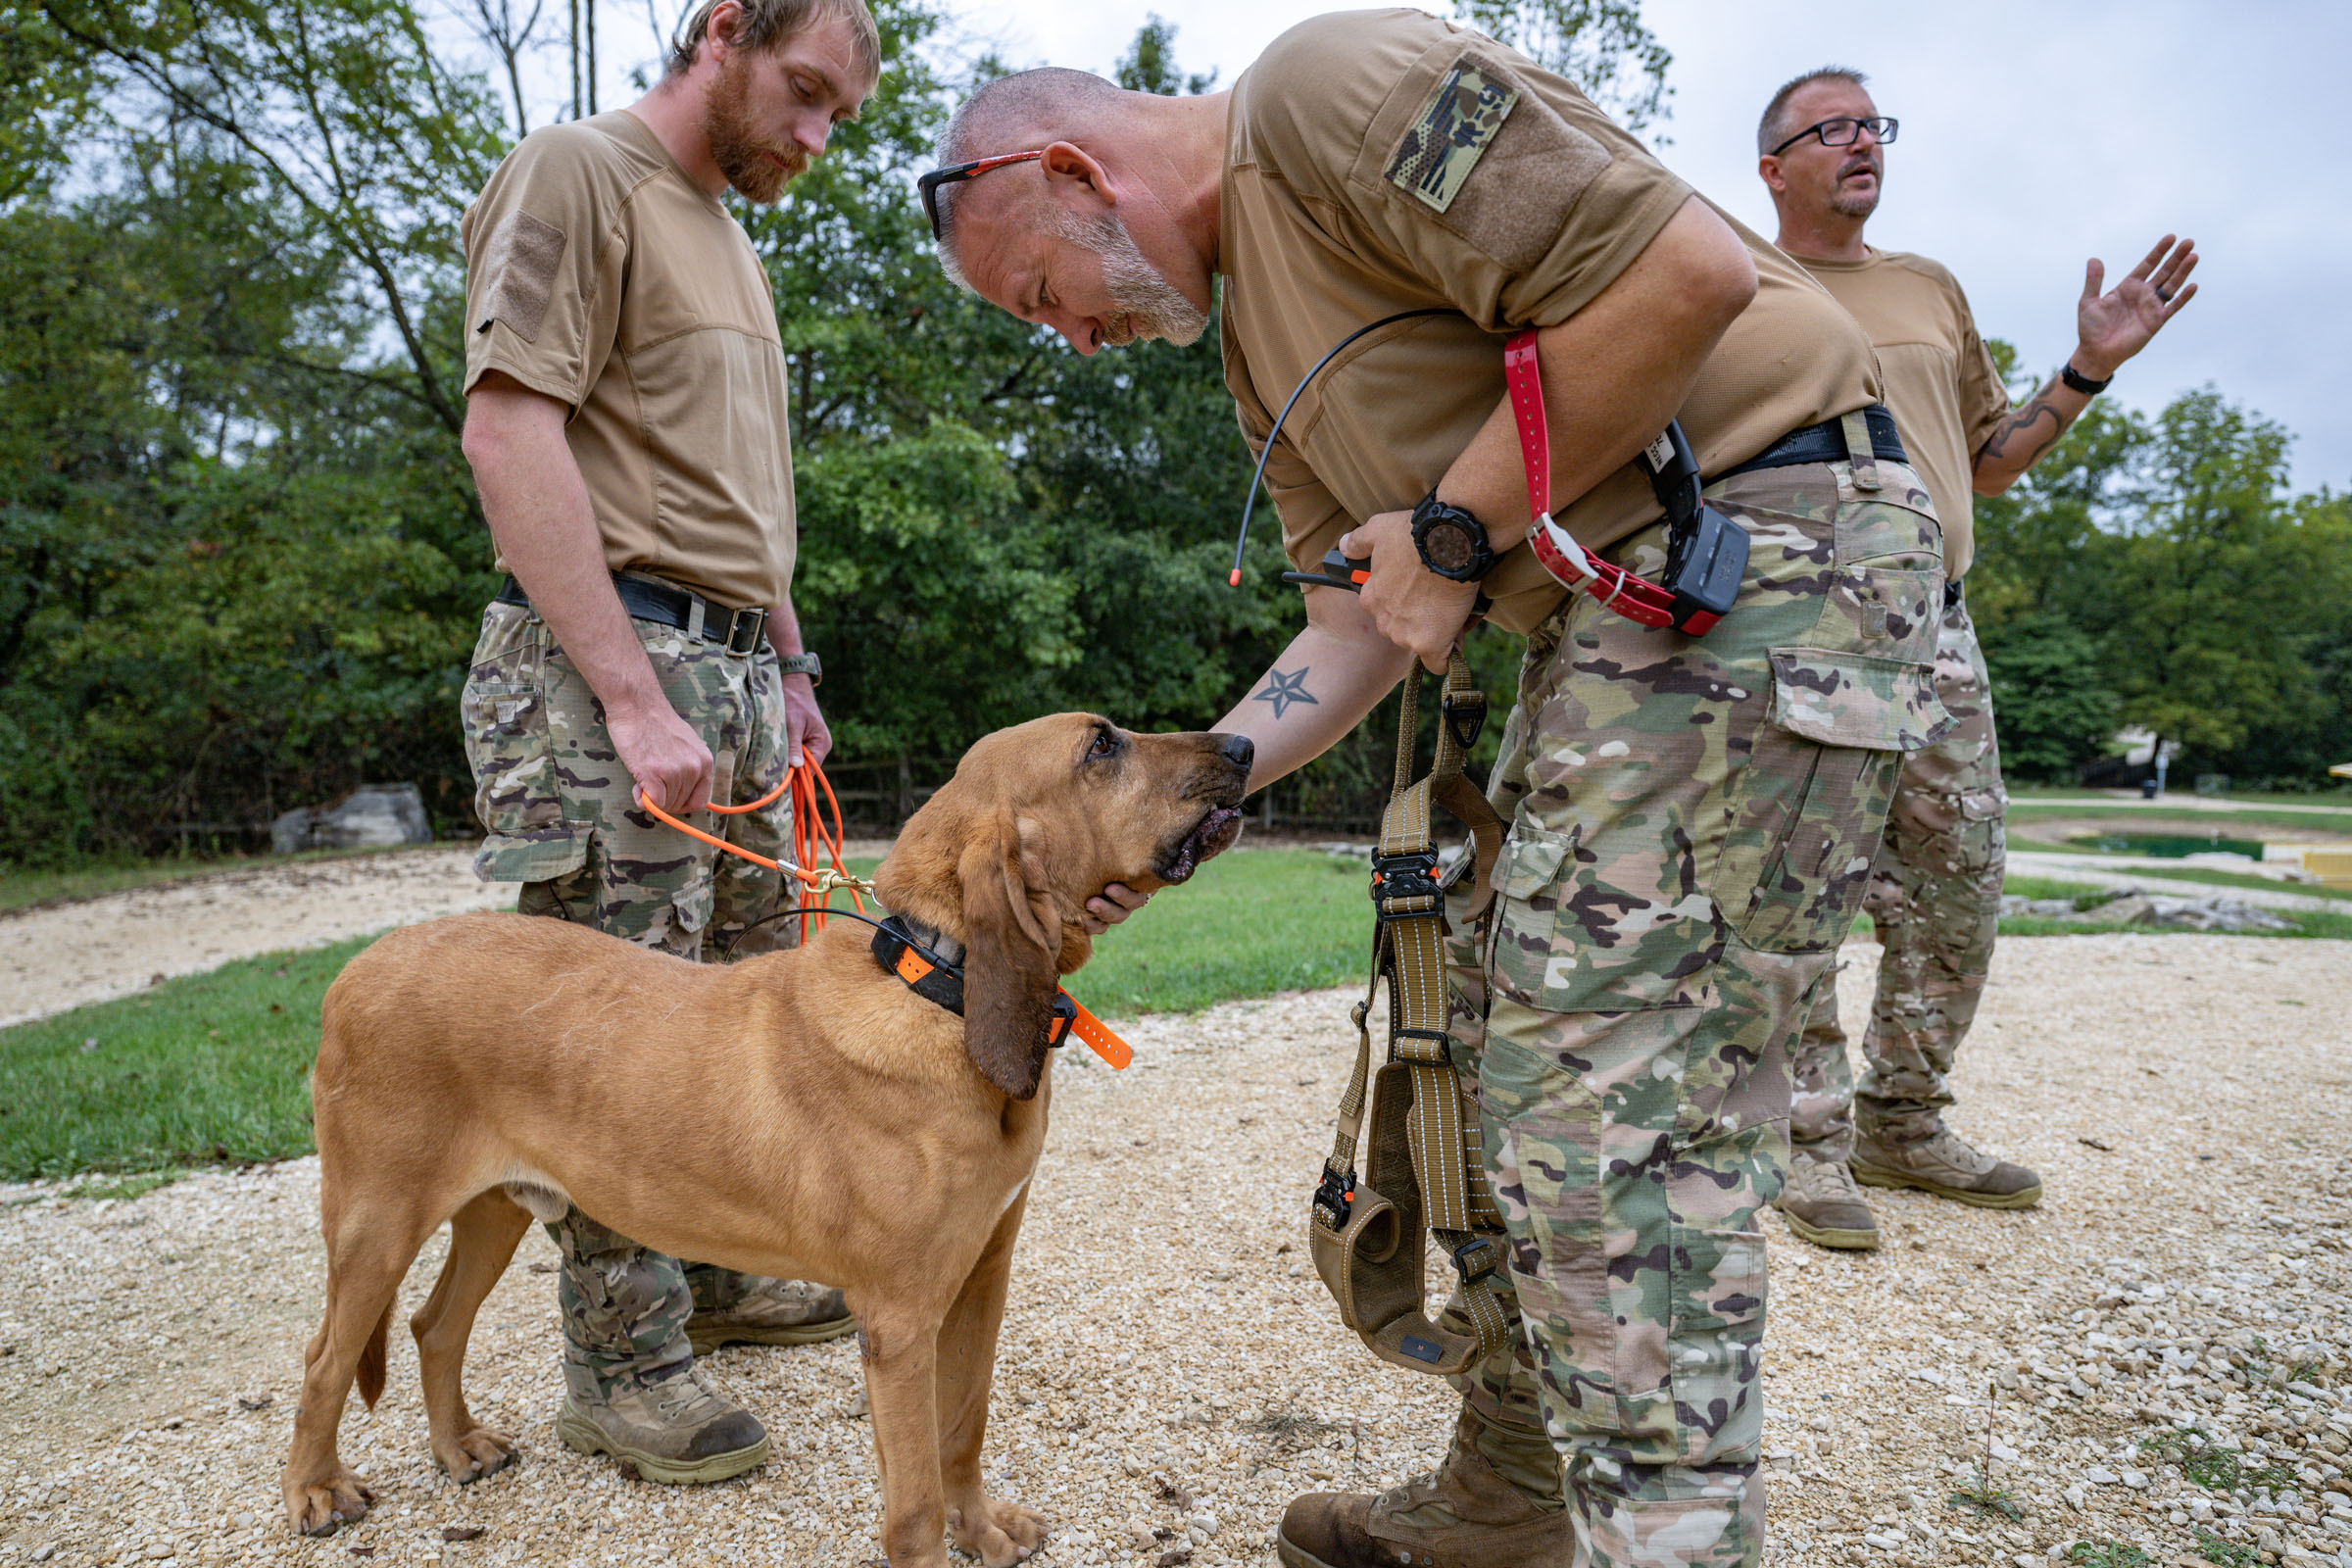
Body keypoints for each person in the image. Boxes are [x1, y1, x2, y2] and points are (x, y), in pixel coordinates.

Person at [925, 16, 1954, 1565]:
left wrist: (1459, 525)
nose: (1068, 336)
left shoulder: (1329, 92)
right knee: (1490, 1058)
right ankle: (1516, 1497)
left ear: (1069, 171)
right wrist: (1178, 806)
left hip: (1763, 539)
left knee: (1613, 1111)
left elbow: (1680, 276)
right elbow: (1357, 618)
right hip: (1617, 612)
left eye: (1041, 293)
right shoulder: (1256, 354)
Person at [456, 0, 881, 1487]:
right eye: (807, 95)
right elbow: (510, 433)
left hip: (735, 674)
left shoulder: (730, 231)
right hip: (602, 670)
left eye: (841, 117)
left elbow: (737, 495)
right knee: (611, 1034)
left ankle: (713, 1274)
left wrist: (788, 665)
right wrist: (632, 694)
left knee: (748, 1010)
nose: (818, 141)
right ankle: (620, 1367)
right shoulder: (576, 173)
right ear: (722, 29)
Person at [1754, 66, 2198, 1250]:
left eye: (1873, 125)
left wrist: (2090, 367)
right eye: (1832, 128)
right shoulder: (1740, 283)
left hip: (1940, 626)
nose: (1863, 143)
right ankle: (1801, 1140)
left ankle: (1902, 1120)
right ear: (1773, 166)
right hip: (1811, 623)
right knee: (1807, 886)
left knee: (1961, 881)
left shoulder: (1929, 285)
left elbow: (1987, 460)